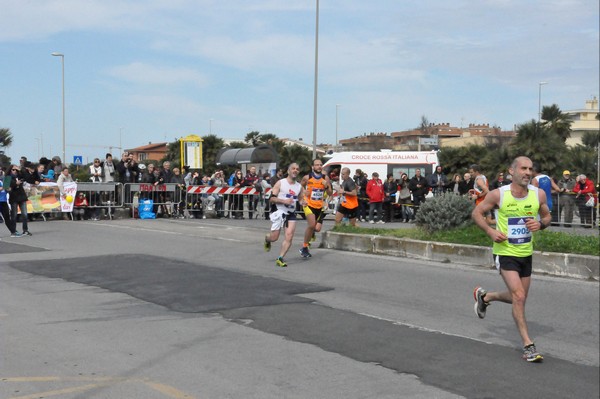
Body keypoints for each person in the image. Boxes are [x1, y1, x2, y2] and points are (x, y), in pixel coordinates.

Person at [472, 156, 551, 363]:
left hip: (526, 252)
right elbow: (477, 213)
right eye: (523, 168)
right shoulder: (499, 194)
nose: (527, 172)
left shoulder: (538, 194)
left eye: (530, 169)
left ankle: (486, 297)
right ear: (512, 171)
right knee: (518, 296)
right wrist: (490, 232)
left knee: (520, 297)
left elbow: (547, 216)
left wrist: (540, 225)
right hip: (505, 252)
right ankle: (528, 344)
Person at [263, 163, 306, 268]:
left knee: (289, 236)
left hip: (291, 213)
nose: (295, 170)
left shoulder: (299, 186)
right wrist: (283, 201)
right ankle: (267, 240)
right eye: (293, 168)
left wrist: (302, 202)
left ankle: (280, 258)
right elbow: (272, 199)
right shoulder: (280, 183)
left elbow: (300, 199)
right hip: (279, 211)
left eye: (297, 169)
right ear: (288, 171)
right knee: (274, 238)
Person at [299, 158, 333, 258]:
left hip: (319, 205)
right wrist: (303, 194)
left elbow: (330, 193)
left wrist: (326, 186)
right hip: (308, 204)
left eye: (320, 164)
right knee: (311, 224)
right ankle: (304, 247)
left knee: (316, 228)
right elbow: (299, 187)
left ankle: (311, 234)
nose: (319, 166)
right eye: (317, 165)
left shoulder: (325, 178)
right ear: (313, 167)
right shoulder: (307, 177)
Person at [8, 165, 31, 236]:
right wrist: (15, 184)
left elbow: (27, 177)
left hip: (22, 197)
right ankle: (13, 231)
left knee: (25, 214)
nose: (15, 171)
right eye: (13, 170)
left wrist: (20, 169)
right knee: (14, 215)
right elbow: (6, 187)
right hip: (14, 197)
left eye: (16, 170)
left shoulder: (19, 175)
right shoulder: (7, 177)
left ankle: (25, 230)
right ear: (10, 170)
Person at [1, 173, 22, 237]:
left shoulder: (2, 180)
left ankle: (13, 231)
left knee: (7, 217)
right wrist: (5, 186)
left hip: (3, 200)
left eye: (0, 169)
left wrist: (8, 188)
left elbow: (6, 189)